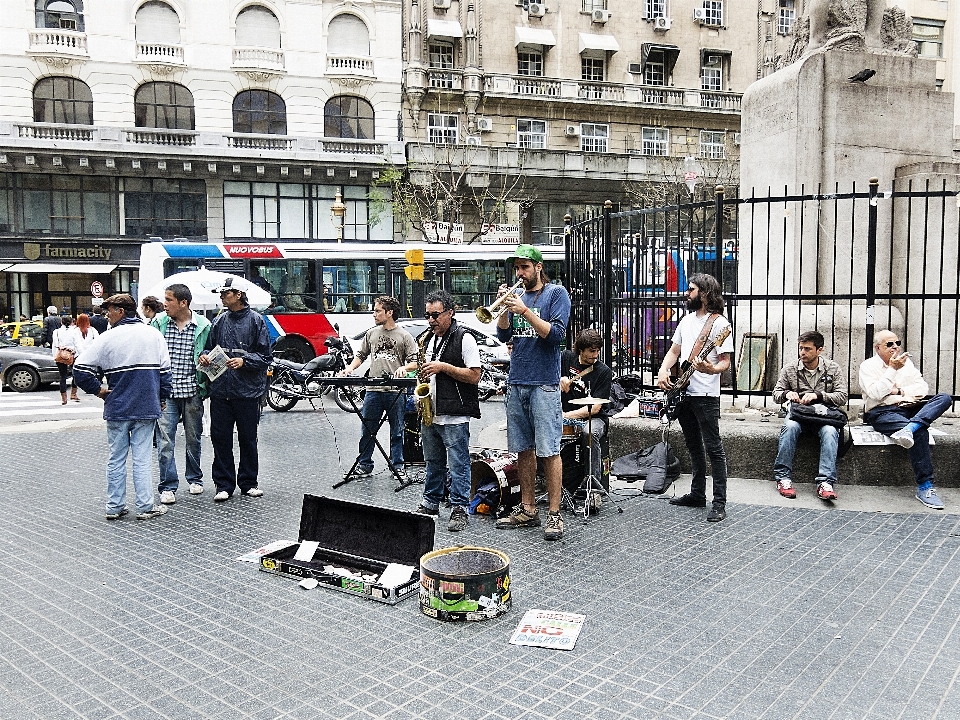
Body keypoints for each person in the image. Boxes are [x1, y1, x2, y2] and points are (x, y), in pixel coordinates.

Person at [494, 244, 572, 541]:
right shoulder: (517, 297)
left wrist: (525, 310)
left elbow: (556, 336)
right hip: (517, 381)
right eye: (517, 268)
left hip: (544, 383)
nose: (520, 273)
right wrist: (502, 309)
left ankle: (554, 515)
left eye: (525, 267)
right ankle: (528, 509)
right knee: (523, 449)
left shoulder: (556, 294)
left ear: (538, 267)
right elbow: (504, 335)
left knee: (549, 450)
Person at [72, 294, 172, 520]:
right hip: (146, 406)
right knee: (142, 457)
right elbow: (165, 374)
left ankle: (114, 506)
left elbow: (80, 370)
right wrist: (162, 398)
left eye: (110, 310)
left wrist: (98, 390)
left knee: (116, 458)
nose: (107, 315)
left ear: (122, 311)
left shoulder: (107, 338)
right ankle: (145, 506)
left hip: (117, 406)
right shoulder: (153, 334)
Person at [656, 273, 734, 523]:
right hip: (684, 392)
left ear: (705, 293)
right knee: (693, 444)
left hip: (706, 394)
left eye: (691, 290)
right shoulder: (686, 321)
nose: (686, 293)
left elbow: (725, 363)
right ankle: (698, 493)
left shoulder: (719, 324)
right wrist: (663, 370)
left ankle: (719, 502)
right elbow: (674, 350)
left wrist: (710, 370)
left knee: (714, 447)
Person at [405, 290, 481, 532]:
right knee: (433, 461)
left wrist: (444, 367)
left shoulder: (464, 338)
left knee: (458, 463)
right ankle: (431, 502)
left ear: (450, 312)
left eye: (436, 315)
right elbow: (425, 370)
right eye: (428, 315)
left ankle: (459, 508)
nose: (431, 320)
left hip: (454, 412)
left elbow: (475, 375)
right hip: (431, 410)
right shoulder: (428, 338)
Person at [859, 329, 953, 510]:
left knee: (944, 398)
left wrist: (899, 391)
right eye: (889, 344)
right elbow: (876, 394)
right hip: (883, 412)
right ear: (878, 348)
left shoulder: (906, 363)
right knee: (920, 432)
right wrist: (892, 370)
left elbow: (922, 389)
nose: (895, 347)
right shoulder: (868, 366)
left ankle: (911, 427)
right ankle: (925, 486)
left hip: (910, 407)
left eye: (897, 343)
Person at [199, 276, 272, 502]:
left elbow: (266, 357)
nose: (221, 297)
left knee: (248, 438)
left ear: (238, 295)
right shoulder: (220, 321)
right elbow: (210, 348)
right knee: (220, 438)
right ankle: (224, 484)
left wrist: (245, 361)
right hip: (221, 390)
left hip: (247, 392)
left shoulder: (256, 321)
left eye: (225, 293)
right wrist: (205, 357)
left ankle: (249, 482)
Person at [340, 296, 418, 481]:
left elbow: (415, 362)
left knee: (397, 430)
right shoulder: (371, 334)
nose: (374, 314)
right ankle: (365, 464)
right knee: (367, 428)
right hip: (373, 390)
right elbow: (361, 355)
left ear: (389, 313)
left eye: (377, 311)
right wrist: (349, 369)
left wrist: (404, 368)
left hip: (395, 391)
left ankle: (397, 465)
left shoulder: (404, 336)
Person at [771, 331, 848, 501]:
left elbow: (842, 396)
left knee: (830, 432)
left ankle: (825, 482)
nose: (802, 353)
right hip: (799, 414)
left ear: (819, 350)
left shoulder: (833, 368)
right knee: (789, 427)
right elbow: (775, 394)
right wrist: (787, 394)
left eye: (807, 349)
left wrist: (819, 396)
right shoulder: (790, 368)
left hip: (823, 415)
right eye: (800, 348)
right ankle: (783, 478)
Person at [154, 284, 212, 505]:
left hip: (192, 390)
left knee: (193, 438)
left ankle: (194, 478)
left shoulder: (203, 326)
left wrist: (206, 356)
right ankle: (168, 486)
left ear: (183, 303)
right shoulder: (159, 323)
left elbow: (211, 349)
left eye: (169, 300)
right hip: (166, 391)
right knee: (165, 440)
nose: (165, 304)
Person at [560, 328, 613, 486]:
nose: (595, 355)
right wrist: (559, 380)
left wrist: (564, 416)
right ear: (580, 349)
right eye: (591, 351)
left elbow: (595, 408)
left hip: (595, 419)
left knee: (589, 433)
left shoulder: (603, 372)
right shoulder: (566, 358)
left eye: (597, 351)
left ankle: (594, 487)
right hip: (565, 415)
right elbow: (546, 377)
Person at [52, 315, 83, 404]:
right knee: (75, 374)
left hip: (61, 354)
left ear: (61, 322)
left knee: (63, 377)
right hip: (72, 354)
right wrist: (82, 354)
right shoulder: (75, 331)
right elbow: (78, 344)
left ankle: (64, 398)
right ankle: (73, 394)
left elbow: (55, 344)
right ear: (71, 322)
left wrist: (55, 356)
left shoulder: (56, 332)